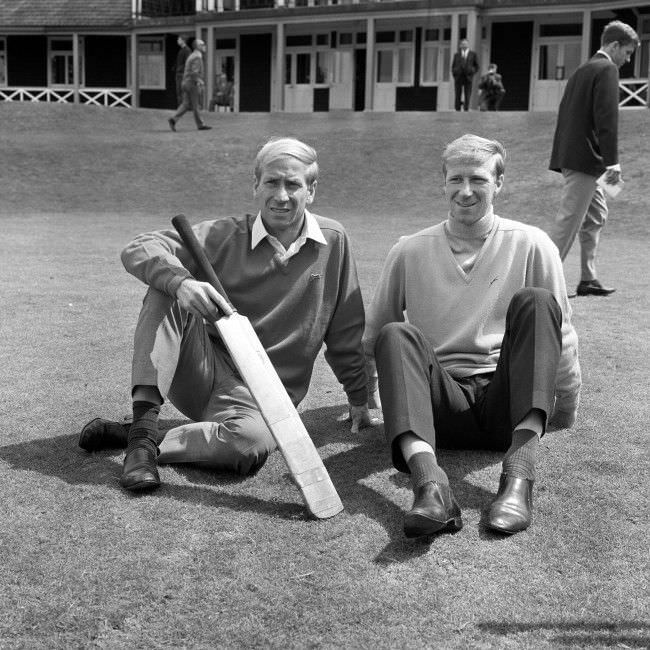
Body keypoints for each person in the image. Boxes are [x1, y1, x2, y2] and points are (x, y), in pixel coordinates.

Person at [79, 137, 375, 491]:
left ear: (311, 190)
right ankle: (142, 440)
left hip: (266, 398)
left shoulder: (334, 241)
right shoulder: (224, 235)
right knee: (167, 285)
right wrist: (183, 284)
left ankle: (140, 437)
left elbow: (345, 328)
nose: (281, 195)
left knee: (247, 446)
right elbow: (140, 247)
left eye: (293, 184)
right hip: (203, 372)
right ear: (256, 185)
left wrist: (359, 396)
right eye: (271, 182)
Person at [363, 134, 581, 539]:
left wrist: (565, 402)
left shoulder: (533, 244)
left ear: (498, 183)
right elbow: (376, 334)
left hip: (509, 408)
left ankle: (518, 478)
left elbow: (559, 330)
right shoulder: (409, 249)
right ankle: (431, 488)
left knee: (536, 301)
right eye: (456, 179)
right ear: (443, 183)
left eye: (478, 179)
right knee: (397, 333)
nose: (466, 191)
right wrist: (362, 398)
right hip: (437, 411)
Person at [549, 20, 639, 297]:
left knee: (596, 214)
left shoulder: (582, 70)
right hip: (588, 160)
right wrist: (613, 165)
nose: (627, 59)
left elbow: (565, 115)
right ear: (614, 45)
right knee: (569, 221)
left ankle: (587, 278)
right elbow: (607, 122)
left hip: (575, 157)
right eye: (627, 52)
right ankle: (538, 280)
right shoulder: (607, 69)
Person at [168, 38, 211, 132]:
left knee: (186, 104)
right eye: (202, 44)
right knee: (196, 105)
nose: (204, 46)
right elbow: (194, 72)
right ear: (198, 46)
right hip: (192, 83)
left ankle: (173, 120)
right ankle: (200, 125)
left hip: (185, 82)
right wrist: (200, 81)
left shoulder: (192, 55)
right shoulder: (197, 57)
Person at [451, 39, 479, 111]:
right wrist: (455, 73)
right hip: (458, 77)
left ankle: (466, 109)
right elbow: (453, 66)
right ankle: (457, 109)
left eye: (465, 44)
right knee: (457, 94)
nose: (464, 45)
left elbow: (477, 66)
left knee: (467, 94)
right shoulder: (456, 55)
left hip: (468, 77)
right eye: (462, 44)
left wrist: (472, 71)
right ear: (460, 45)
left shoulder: (473, 54)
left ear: (468, 45)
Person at [172, 35, 191, 106]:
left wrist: (180, 69)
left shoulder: (187, 50)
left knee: (183, 92)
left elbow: (188, 63)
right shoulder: (181, 50)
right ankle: (180, 107)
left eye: (179, 39)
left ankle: (184, 108)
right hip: (179, 74)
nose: (177, 41)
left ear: (183, 40)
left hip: (183, 74)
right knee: (179, 92)